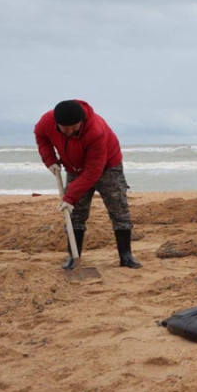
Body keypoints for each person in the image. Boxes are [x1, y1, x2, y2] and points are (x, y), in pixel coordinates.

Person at [34, 99, 141, 269]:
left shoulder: (95, 131)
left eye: (74, 128)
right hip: (74, 168)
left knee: (118, 209)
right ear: (56, 123)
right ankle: (72, 257)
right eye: (65, 129)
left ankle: (126, 257)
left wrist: (69, 197)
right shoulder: (46, 121)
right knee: (75, 213)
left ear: (82, 121)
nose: (69, 132)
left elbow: (93, 171)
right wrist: (50, 159)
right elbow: (41, 137)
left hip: (107, 167)